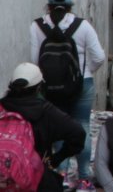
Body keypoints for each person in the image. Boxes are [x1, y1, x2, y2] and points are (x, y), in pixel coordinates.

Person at [29, 0, 104, 182]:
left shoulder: (37, 26)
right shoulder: (83, 26)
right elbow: (99, 57)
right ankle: (85, 176)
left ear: (49, 6)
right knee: (82, 125)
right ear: (70, 7)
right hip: (82, 83)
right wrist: (86, 71)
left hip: (50, 87)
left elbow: (35, 60)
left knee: (57, 129)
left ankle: (60, 175)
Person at [0, 63, 86, 192]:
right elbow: (78, 133)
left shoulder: (2, 107)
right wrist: (56, 159)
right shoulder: (46, 111)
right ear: (39, 87)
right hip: (36, 180)